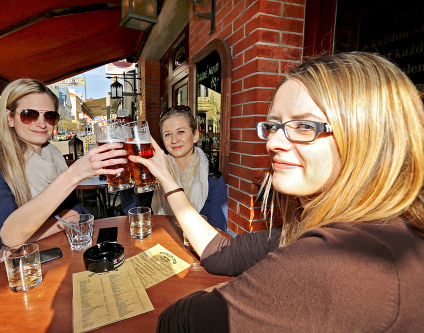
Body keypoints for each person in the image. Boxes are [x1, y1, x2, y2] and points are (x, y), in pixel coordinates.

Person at [130, 52, 424, 331]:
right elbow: (223, 253)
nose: (273, 143)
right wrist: (166, 177)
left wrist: (234, 290)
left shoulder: (351, 258)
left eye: (304, 125)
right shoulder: (338, 228)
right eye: (273, 126)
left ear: (368, 136)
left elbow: (181, 321)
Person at [0, 79, 128, 332]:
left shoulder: (52, 157)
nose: (41, 123)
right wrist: (73, 176)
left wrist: (47, 225)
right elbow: (12, 234)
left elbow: (77, 215)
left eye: (49, 115)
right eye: (29, 114)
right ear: (10, 117)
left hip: (36, 277)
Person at [121, 106, 229, 233]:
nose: (174, 140)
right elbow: (133, 212)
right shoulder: (152, 172)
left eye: (181, 132)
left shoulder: (213, 179)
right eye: (168, 134)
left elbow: (220, 230)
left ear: (195, 136)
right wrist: (127, 175)